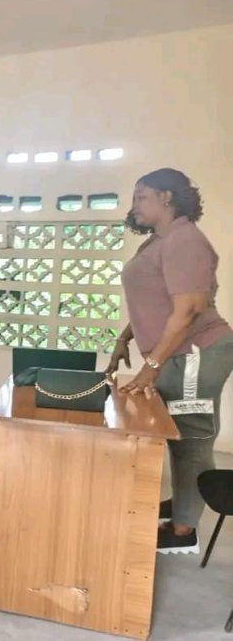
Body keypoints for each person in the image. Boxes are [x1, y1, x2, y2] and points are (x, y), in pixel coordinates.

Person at [108, 168, 233, 555]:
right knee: (175, 435)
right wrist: (126, 338)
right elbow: (155, 301)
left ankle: (184, 531)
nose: (134, 206)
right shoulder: (159, 242)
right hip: (176, 355)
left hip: (194, 355)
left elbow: (188, 310)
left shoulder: (185, 241)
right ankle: (183, 507)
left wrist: (152, 366)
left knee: (190, 441)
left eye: (141, 197)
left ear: (167, 197)